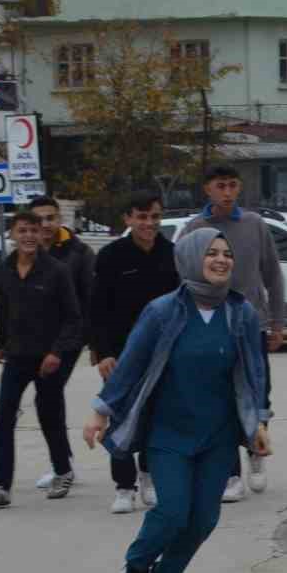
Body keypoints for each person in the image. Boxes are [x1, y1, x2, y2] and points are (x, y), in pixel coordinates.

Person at [83, 228, 272, 573]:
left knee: (204, 518)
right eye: (211, 253)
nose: (221, 260)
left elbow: (256, 371)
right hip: (168, 434)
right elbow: (131, 365)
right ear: (190, 258)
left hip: (218, 435)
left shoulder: (241, 313)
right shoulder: (163, 311)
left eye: (226, 253)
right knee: (172, 511)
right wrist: (100, 413)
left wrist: (261, 421)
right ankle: (136, 566)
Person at [181, 166, 284, 502]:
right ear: (207, 189)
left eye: (232, 185)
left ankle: (256, 448)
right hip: (212, 324)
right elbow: (183, 277)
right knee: (222, 399)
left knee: (258, 393)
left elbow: (272, 274)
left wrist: (277, 322)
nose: (227, 192)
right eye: (220, 185)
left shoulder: (254, 224)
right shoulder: (196, 229)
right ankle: (229, 475)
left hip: (252, 324)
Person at [0, 210, 83, 509]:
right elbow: (3, 311)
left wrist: (56, 353)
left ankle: (62, 471)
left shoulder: (57, 271)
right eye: (22, 230)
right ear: (12, 234)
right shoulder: (3, 271)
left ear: (41, 235)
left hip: (47, 359)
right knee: (3, 419)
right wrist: (0, 344)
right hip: (16, 356)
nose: (28, 236)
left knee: (50, 416)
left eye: (33, 231)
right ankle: (0, 486)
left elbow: (73, 319)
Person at [90, 190, 180, 514]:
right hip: (121, 355)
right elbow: (97, 309)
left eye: (154, 217)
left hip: (163, 354)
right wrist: (103, 353)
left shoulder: (172, 254)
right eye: (141, 217)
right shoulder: (111, 256)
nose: (149, 223)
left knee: (157, 419)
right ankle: (123, 486)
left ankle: (149, 477)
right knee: (119, 418)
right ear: (128, 219)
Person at [29, 195, 95, 492]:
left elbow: (91, 299)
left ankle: (62, 468)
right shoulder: (26, 252)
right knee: (48, 399)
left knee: (47, 395)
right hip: (35, 341)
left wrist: (93, 342)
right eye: (38, 219)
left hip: (69, 339)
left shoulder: (79, 253)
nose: (45, 225)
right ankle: (62, 463)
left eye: (50, 218)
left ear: (59, 219)